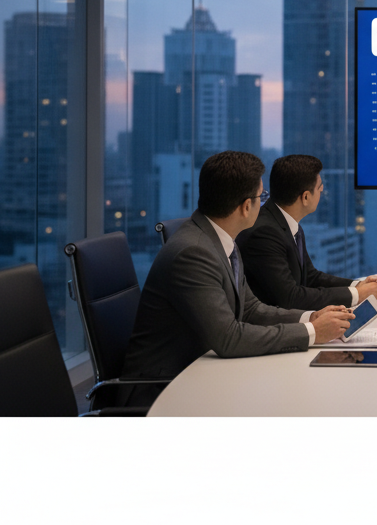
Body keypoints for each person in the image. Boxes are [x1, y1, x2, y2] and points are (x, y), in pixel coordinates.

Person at [120, 151, 354, 406]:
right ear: (245, 206)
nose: (264, 203)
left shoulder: (221, 240)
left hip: (203, 372)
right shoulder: (194, 252)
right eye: (261, 197)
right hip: (163, 389)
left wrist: (310, 318)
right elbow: (228, 338)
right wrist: (311, 332)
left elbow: (251, 309)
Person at [237, 154, 377, 309]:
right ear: (305, 197)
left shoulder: (287, 223)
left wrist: (360, 285)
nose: (322, 192)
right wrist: (359, 294)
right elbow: (290, 298)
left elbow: (310, 277)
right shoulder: (264, 233)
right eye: (320, 188)